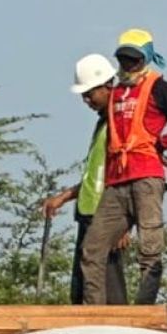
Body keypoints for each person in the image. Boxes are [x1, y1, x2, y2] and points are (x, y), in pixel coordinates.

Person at [80, 29, 167, 305]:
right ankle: (95, 312)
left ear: (145, 59)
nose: (127, 65)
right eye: (123, 59)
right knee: (92, 247)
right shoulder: (116, 92)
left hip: (146, 175)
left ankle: (143, 309)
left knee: (149, 249)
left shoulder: (158, 87)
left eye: (133, 59)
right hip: (116, 180)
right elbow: (96, 100)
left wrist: (162, 144)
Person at [41, 54, 127, 304]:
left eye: (90, 93)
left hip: (107, 217)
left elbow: (128, 176)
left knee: (108, 292)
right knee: (83, 288)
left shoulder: (121, 124)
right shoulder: (103, 125)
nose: (86, 100)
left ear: (108, 86)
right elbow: (97, 177)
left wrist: (124, 224)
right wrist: (64, 197)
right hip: (89, 213)